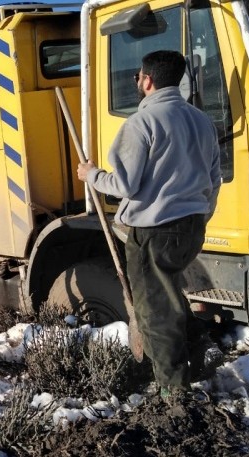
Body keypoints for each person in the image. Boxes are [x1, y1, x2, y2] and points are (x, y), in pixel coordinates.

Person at [76, 50, 223, 395]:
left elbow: (124, 185)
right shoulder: (202, 121)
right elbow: (214, 179)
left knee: (155, 313)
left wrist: (91, 174)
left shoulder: (141, 124)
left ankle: (174, 392)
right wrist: (200, 217)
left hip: (154, 233)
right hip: (191, 228)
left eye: (137, 78)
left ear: (147, 80)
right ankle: (201, 344)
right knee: (169, 294)